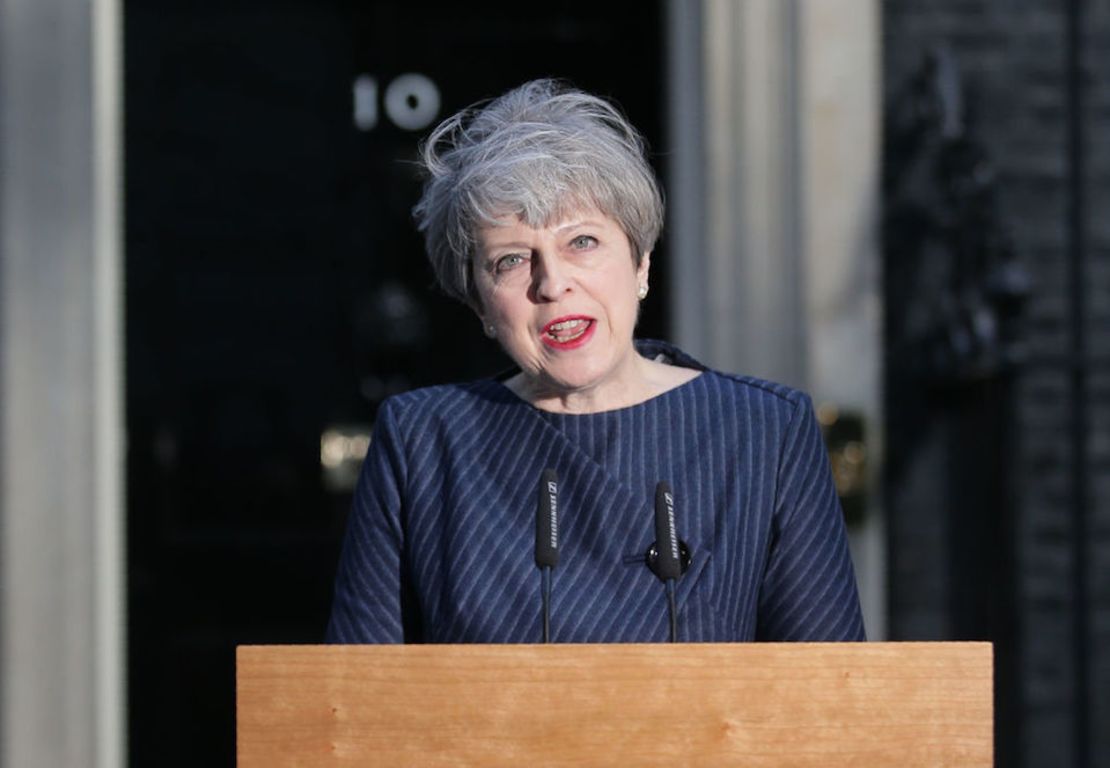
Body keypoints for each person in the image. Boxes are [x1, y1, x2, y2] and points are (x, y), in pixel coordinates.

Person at [327, 79, 865, 644]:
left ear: (641, 265)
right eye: (511, 260)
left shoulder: (766, 431)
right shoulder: (422, 442)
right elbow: (355, 697)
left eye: (582, 242)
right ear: (480, 304)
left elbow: (832, 693)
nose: (553, 283)